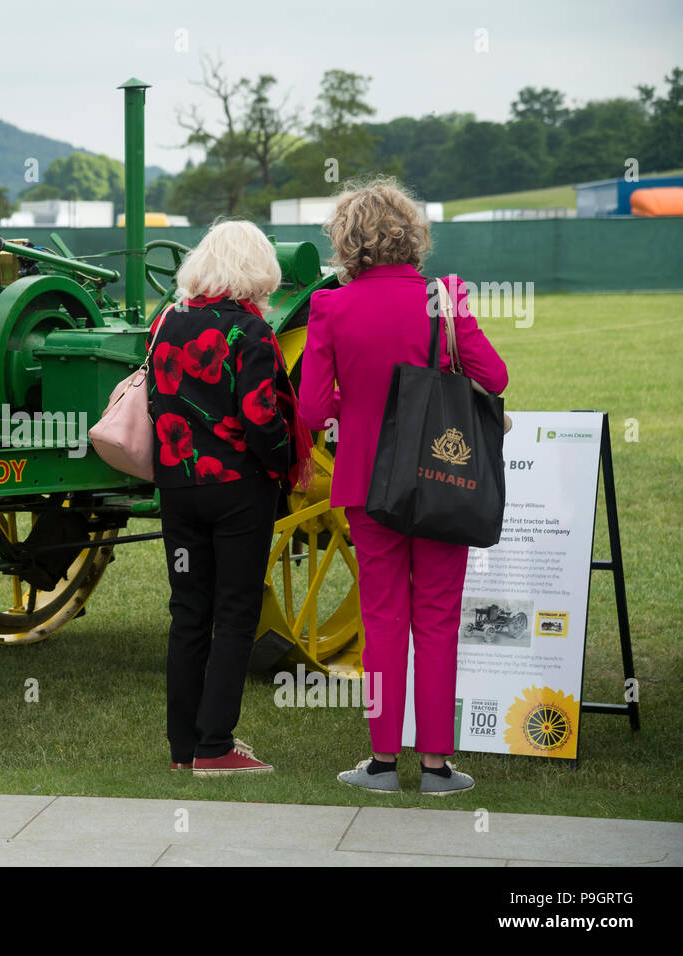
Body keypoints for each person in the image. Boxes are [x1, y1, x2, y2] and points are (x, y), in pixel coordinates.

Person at [299, 177, 508, 795]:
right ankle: (438, 766)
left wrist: (356, 401)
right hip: (444, 478)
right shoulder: (444, 298)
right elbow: (493, 377)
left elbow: (312, 410)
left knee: (382, 619)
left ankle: (384, 764)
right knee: (439, 619)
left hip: (368, 484)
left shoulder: (330, 307)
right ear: (411, 236)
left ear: (348, 242)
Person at [149, 219, 314, 776]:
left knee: (188, 614)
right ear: (255, 269)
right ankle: (215, 746)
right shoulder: (252, 332)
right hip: (239, 490)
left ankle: (182, 750)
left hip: (178, 487)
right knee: (236, 614)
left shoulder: (165, 321)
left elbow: (154, 400)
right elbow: (261, 416)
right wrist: (280, 470)